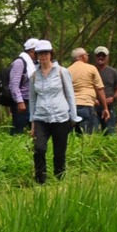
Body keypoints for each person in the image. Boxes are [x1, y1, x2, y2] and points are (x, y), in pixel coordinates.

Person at [27, 41, 76, 184]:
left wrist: (73, 116)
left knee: (59, 152)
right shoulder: (34, 76)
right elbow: (32, 100)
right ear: (36, 55)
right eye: (40, 53)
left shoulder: (62, 71)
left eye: (46, 53)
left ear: (51, 54)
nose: (43, 56)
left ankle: (59, 178)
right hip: (41, 117)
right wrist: (32, 123)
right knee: (39, 149)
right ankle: (40, 180)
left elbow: (70, 95)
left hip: (61, 117)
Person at [65, 48, 106, 135]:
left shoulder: (67, 70)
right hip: (86, 104)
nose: (87, 57)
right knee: (87, 135)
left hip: (71, 106)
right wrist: (105, 108)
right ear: (83, 56)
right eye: (87, 55)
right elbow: (100, 89)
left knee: (73, 135)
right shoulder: (91, 68)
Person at [7, 38, 38, 136]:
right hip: (22, 102)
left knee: (35, 130)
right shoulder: (20, 63)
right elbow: (14, 84)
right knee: (18, 129)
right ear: (32, 50)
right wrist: (20, 102)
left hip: (32, 100)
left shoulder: (34, 64)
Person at [93, 48, 117, 134]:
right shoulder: (91, 70)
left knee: (110, 132)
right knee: (93, 133)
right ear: (95, 57)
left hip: (109, 107)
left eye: (103, 56)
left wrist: (113, 97)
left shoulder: (113, 72)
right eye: (98, 55)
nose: (101, 57)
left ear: (107, 57)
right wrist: (93, 99)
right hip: (94, 107)